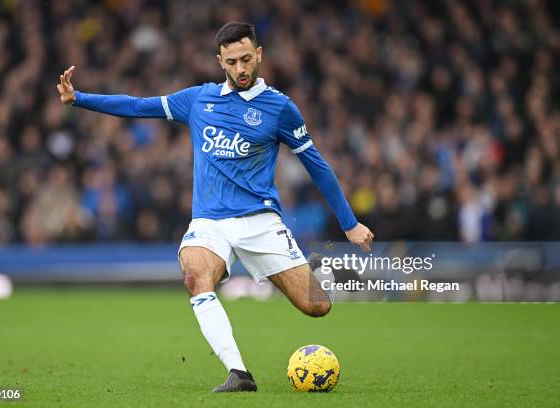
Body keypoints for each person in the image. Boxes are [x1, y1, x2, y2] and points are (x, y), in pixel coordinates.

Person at [57, 22, 374, 392]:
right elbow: (137, 106)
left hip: (260, 222)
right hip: (210, 222)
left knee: (317, 305)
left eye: (245, 59)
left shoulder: (280, 108)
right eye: (231, 61)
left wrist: (349, 223)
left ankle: (301, 270)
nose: (240, 69)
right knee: (194, 276)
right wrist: (79, 98)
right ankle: (239, 374)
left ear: (259, 55)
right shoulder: (198, 100)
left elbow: (317, 165)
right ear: (219, 61)